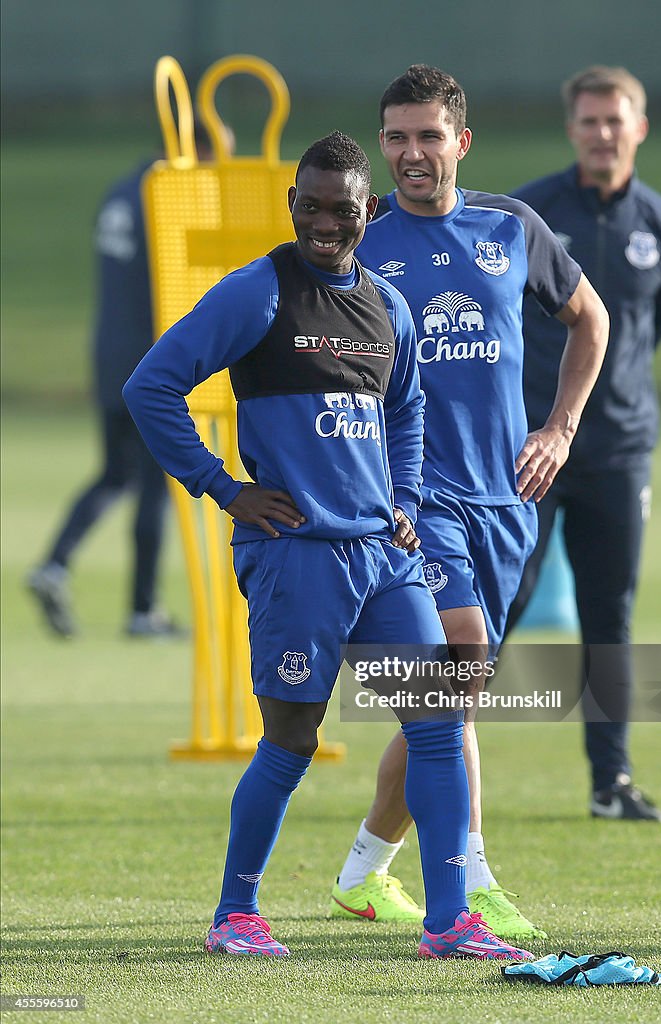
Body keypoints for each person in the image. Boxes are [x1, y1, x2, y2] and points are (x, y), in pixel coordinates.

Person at [123, 131, 534, 961]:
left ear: (365, 212)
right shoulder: (257, 294)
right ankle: (235, 913)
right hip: (297, 554)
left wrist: (406, 500)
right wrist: (225, 487)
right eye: (308, 206)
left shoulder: (389, 306)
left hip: (384, 554)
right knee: (292, 738)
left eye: (341, 210)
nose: (323, 223)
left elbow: (410, 410)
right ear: (292, 206)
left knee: (439, 717)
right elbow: (152, 385)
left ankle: (450, 920)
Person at [329, 66, 609, 941]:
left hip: (507, 501)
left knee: (450, 692)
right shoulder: (358, 242)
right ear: (382, 146)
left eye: (428, 137)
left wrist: (559, 430)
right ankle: (472, 876)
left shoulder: (510, 228)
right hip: (417, 504)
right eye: (398, 138)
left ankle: (368, 867)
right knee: (462, 658)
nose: (413, 154)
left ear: (461, 142)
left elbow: (590, 321)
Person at [504, 66, 661, 823]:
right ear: (571, 129)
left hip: (619, 451)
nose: (602, 133)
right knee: (500, 603)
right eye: (589, 121)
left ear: (638, 127)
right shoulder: (528, 216)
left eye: (615, 120)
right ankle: (435, 753)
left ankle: (610, 781)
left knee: (608, 613)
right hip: (529, 448)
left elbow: (651, 329)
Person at [26, 125, 224, 638]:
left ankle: (54, 564)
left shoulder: (120, 190)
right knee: (154, 485)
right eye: (214, 154)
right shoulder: (169, 196)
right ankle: (142, 610)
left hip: (108, 353)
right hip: (149, 362)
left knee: (116, 474)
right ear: (193, 148)